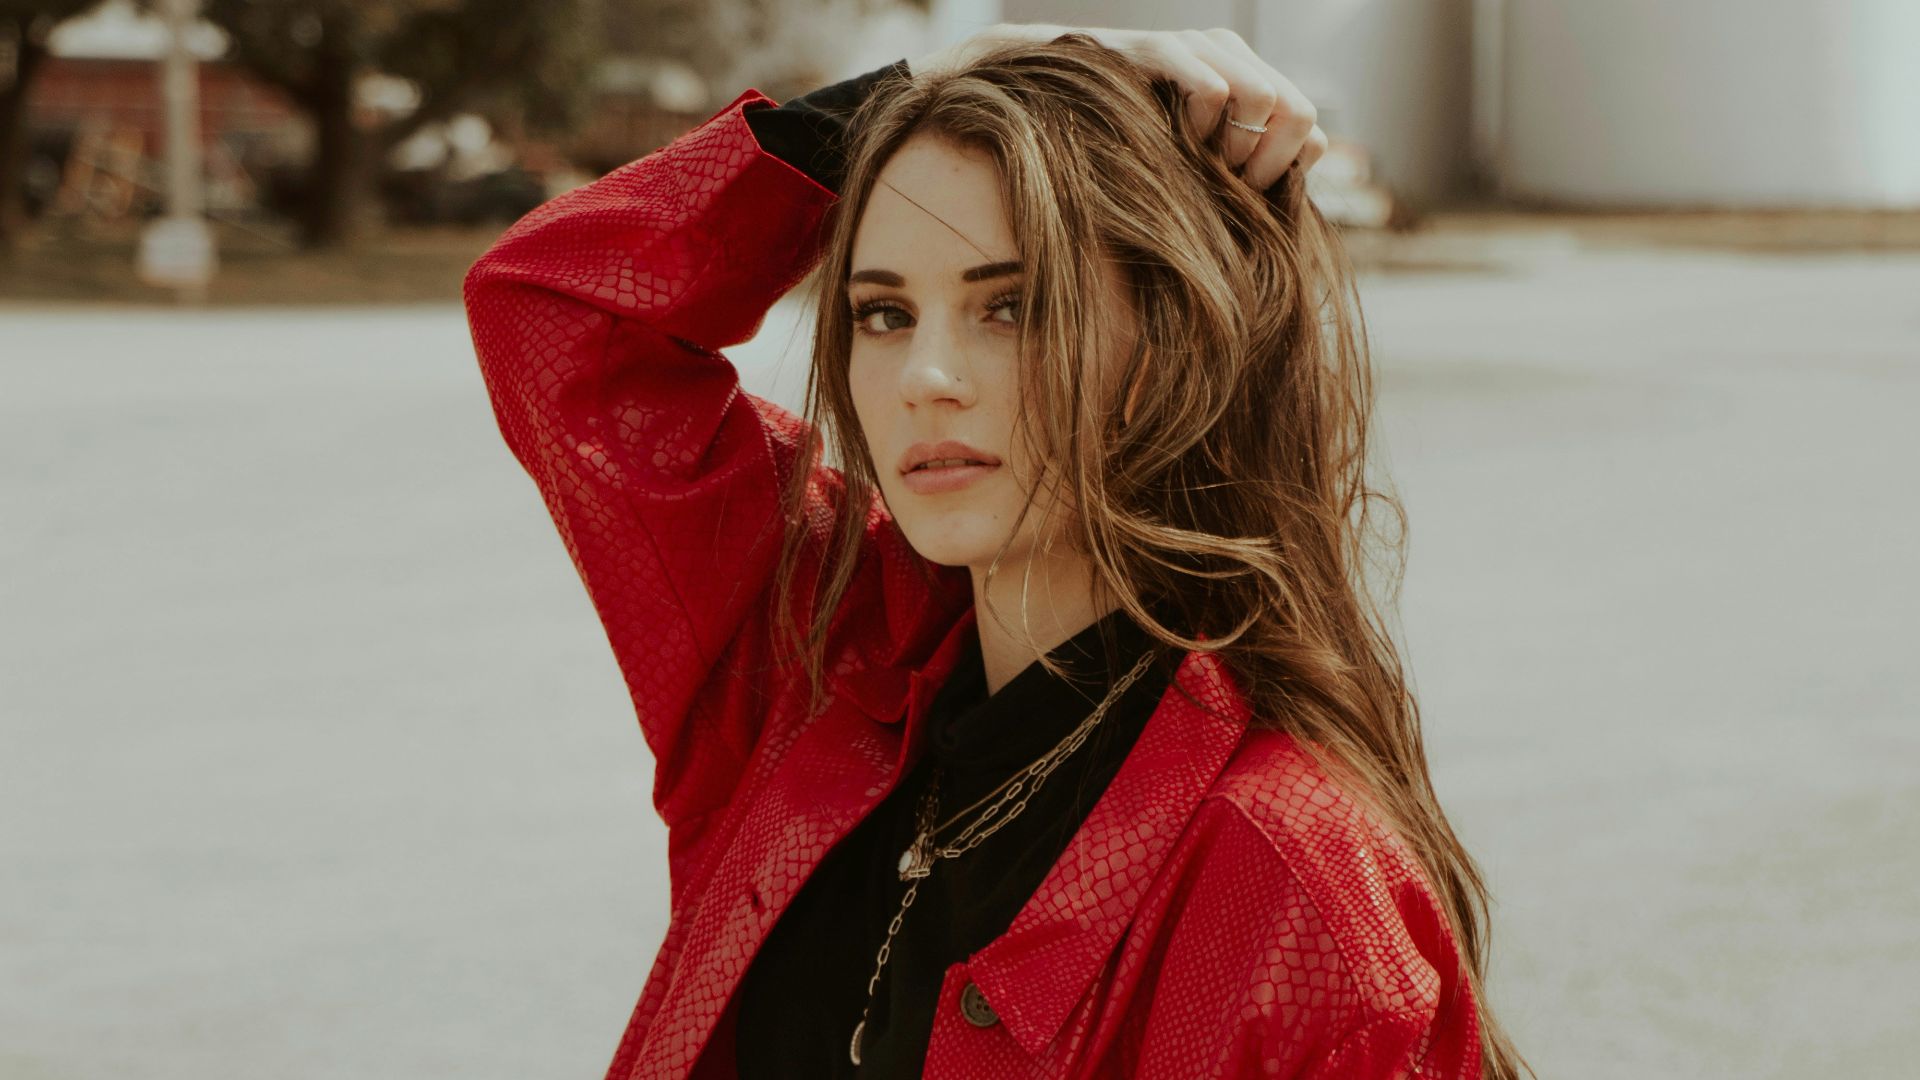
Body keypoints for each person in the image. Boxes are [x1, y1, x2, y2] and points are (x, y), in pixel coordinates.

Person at [463, 22, 1527, 1080]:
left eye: (1010, 306)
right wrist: (931, 80)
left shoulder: (1295, 896)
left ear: (1173, 342)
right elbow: (552, 310)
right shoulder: (809, 657)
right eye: (884, 312)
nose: (928, 374)